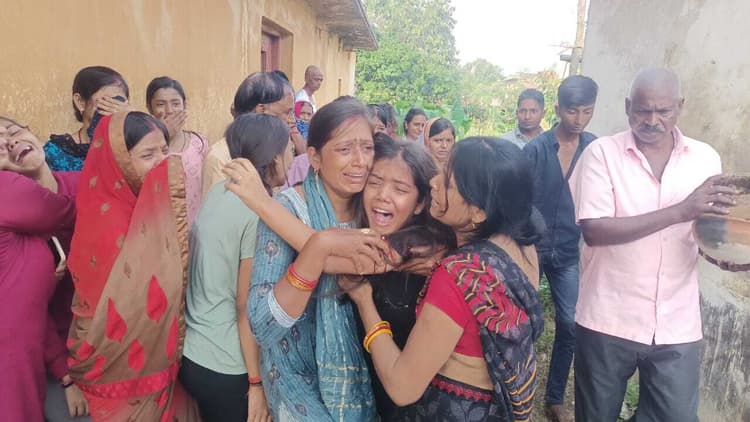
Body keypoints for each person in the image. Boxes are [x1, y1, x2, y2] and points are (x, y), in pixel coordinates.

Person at [225, 135, 455, 420]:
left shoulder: (418, 245)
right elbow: (326, 253)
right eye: (374, 182)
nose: (383, 195)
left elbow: (328, 255)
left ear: (420, 203)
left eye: (400, 189)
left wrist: (263, 203)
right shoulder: (358, 227)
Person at [569, 68, 732, 422]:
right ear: (628, 107)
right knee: (596, 416)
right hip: (608, 317)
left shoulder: (705, 158)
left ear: (680, 107)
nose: (653, 120)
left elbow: (707, 228)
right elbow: (595, 230)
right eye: (643, 110)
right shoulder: (601, 154)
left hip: (677, 322)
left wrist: (726, 252)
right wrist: (680, 210)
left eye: (664, 111)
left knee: (675, 416)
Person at [341, 137, 544, 421]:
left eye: (448, 183)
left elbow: (402, 387)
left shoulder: (456, 276)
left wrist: (364, 302)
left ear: (478, 212)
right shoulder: (521, 246)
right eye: (443, 168)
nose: (433, 182)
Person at [231, 97, 388, 421]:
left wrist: (321, 246)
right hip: (295, 380)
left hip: (368, 377)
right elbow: (264, 325)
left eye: (367, 148)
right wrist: (318, 247)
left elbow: (375, 260)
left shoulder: (375, 206)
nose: (360, 161)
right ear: (314, 157)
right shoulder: (288, 210)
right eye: (345, 149)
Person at [66, 111, 200, 421]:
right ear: (119, 162)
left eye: (164, 150)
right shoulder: (108, 220)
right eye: (147, 155)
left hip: (155, 360)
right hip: (114, 360)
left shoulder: (148, 204)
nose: (162, 161)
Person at [180, 113, 293, 422]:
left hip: (194, 351)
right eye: (289, 149)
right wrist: (256, 383)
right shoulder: (258, 213)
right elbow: (246, 306)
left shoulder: (221, 191)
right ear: (274, 157)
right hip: (228, 365)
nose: (293, 155)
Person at [0, 116, 89, 421]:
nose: (10, 142)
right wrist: (65, 374)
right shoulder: (17, 211)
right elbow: (32, 306)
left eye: (13, 132)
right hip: (50, 356)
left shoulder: (80, 182)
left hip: (106, 342)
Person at [522, 75, 598, 422]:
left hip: (568, 251)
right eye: (572, 111)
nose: (579, 119)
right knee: (523, 323)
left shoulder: (595, 151)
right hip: (531, 250)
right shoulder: (535, 150)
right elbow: (519, 200)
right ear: (557, 109)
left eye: (587, 111)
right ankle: (517, 390)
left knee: (569, 324)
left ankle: (554, 398)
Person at [201, 72, 294, 197]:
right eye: (287, 113)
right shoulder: (221, 158)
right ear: (261, 111)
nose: (291, 121)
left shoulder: (272, 151)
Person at [146, 76, 209, 226]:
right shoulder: (145, 147)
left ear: (184, 105)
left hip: (197, 226)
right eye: (160, 104)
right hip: (161, 227)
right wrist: (164, 135)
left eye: (175, 104)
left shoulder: (199, 143)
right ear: (149, 108)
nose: (169, 111)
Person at [45, 66, 130, 171]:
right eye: (105, 101)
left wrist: (135, 121)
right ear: (80, 102)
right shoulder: (55, 152)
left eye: (119, 102)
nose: (113, 109)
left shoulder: (134, 146)